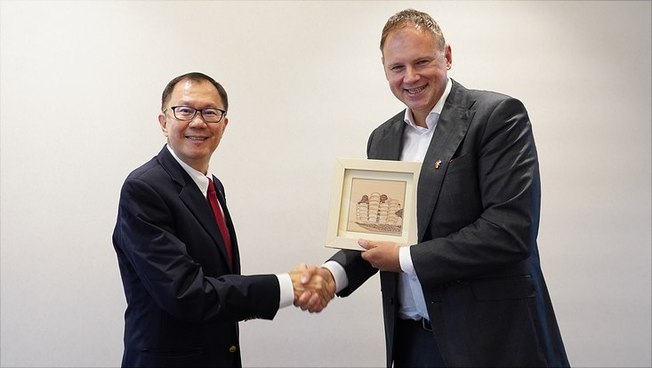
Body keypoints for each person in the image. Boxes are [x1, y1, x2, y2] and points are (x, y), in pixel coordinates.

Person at [298, 9, 570, 367]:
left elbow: (509, 231)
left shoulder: (497, 116)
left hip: (493, 344)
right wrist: (332, 275)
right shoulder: (382, 138)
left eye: (422, 62)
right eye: (397, 68)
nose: (410, 77)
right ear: (384, 70)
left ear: (448, 57)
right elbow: (376, 231)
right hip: (413, 345)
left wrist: (403, 258)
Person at [112, 72, 334, 367]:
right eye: (185, 110)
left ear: (224, 125)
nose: (198, 122)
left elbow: (219, 281)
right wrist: (287, 287)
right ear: (164, 122)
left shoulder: (211, 187)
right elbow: (186, 294)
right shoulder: (145, 188)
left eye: (210, 112)